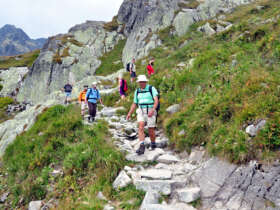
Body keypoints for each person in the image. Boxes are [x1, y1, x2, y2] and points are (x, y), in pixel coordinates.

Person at [126, 75, 159, 155]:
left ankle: (153, 143)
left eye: (143, 82)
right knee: (140, 127)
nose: (142, 83)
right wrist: (129, 113)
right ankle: (142, 145)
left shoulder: (151, 88)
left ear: (146, 82)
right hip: (140, 110)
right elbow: (134, 103)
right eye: (140, 82)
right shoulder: (137, 91)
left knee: (151, 129)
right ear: (138, 83)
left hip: (150, 110)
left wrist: (153, 110)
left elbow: (156, 101)